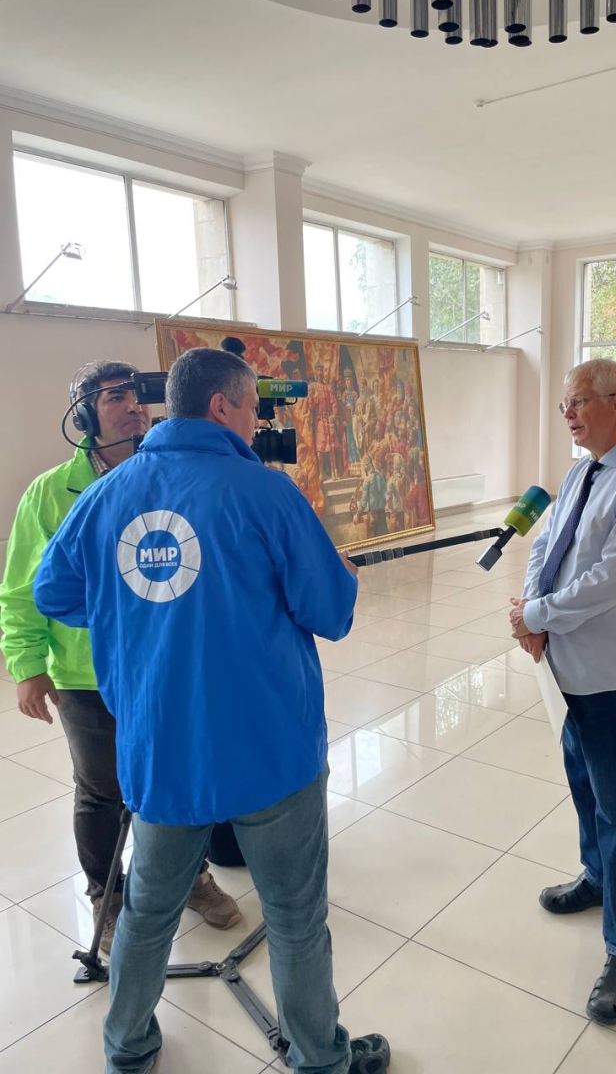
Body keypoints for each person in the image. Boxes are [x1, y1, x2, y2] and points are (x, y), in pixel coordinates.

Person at [33, 348, 389, 1074]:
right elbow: (331, 612)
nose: (257, 421)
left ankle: (127, 1049)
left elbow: (54, 593)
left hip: (160, 749)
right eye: (253, 406)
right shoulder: (268, 493)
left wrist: (139, 607)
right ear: (223, 406)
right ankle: (321, 1058)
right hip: (270, 748)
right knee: (295, 917)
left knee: (147, 911)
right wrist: (340, 575)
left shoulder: (104, 495)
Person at [0, 360, 241, 955]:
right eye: (115, 397)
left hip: (164, 664)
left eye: (137, 396)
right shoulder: (49, 493)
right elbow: (22, 587)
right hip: (85, 674)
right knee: (102, 791)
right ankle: (106, 898)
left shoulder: (167, 475)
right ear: (84, 415)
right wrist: (27, 665)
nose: (134, 407)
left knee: (175, 774)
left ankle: (191, 877)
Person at [508, 358, 616, 1028]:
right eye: (564, 405)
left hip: (608, 670)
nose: (569, 414)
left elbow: (615, 578)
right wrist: (532, 611)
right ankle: (598, 876)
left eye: (577, 402)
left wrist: (538, 615)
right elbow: (544, 546)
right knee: (583, 781)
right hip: (561, 661)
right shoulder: (581, 472)